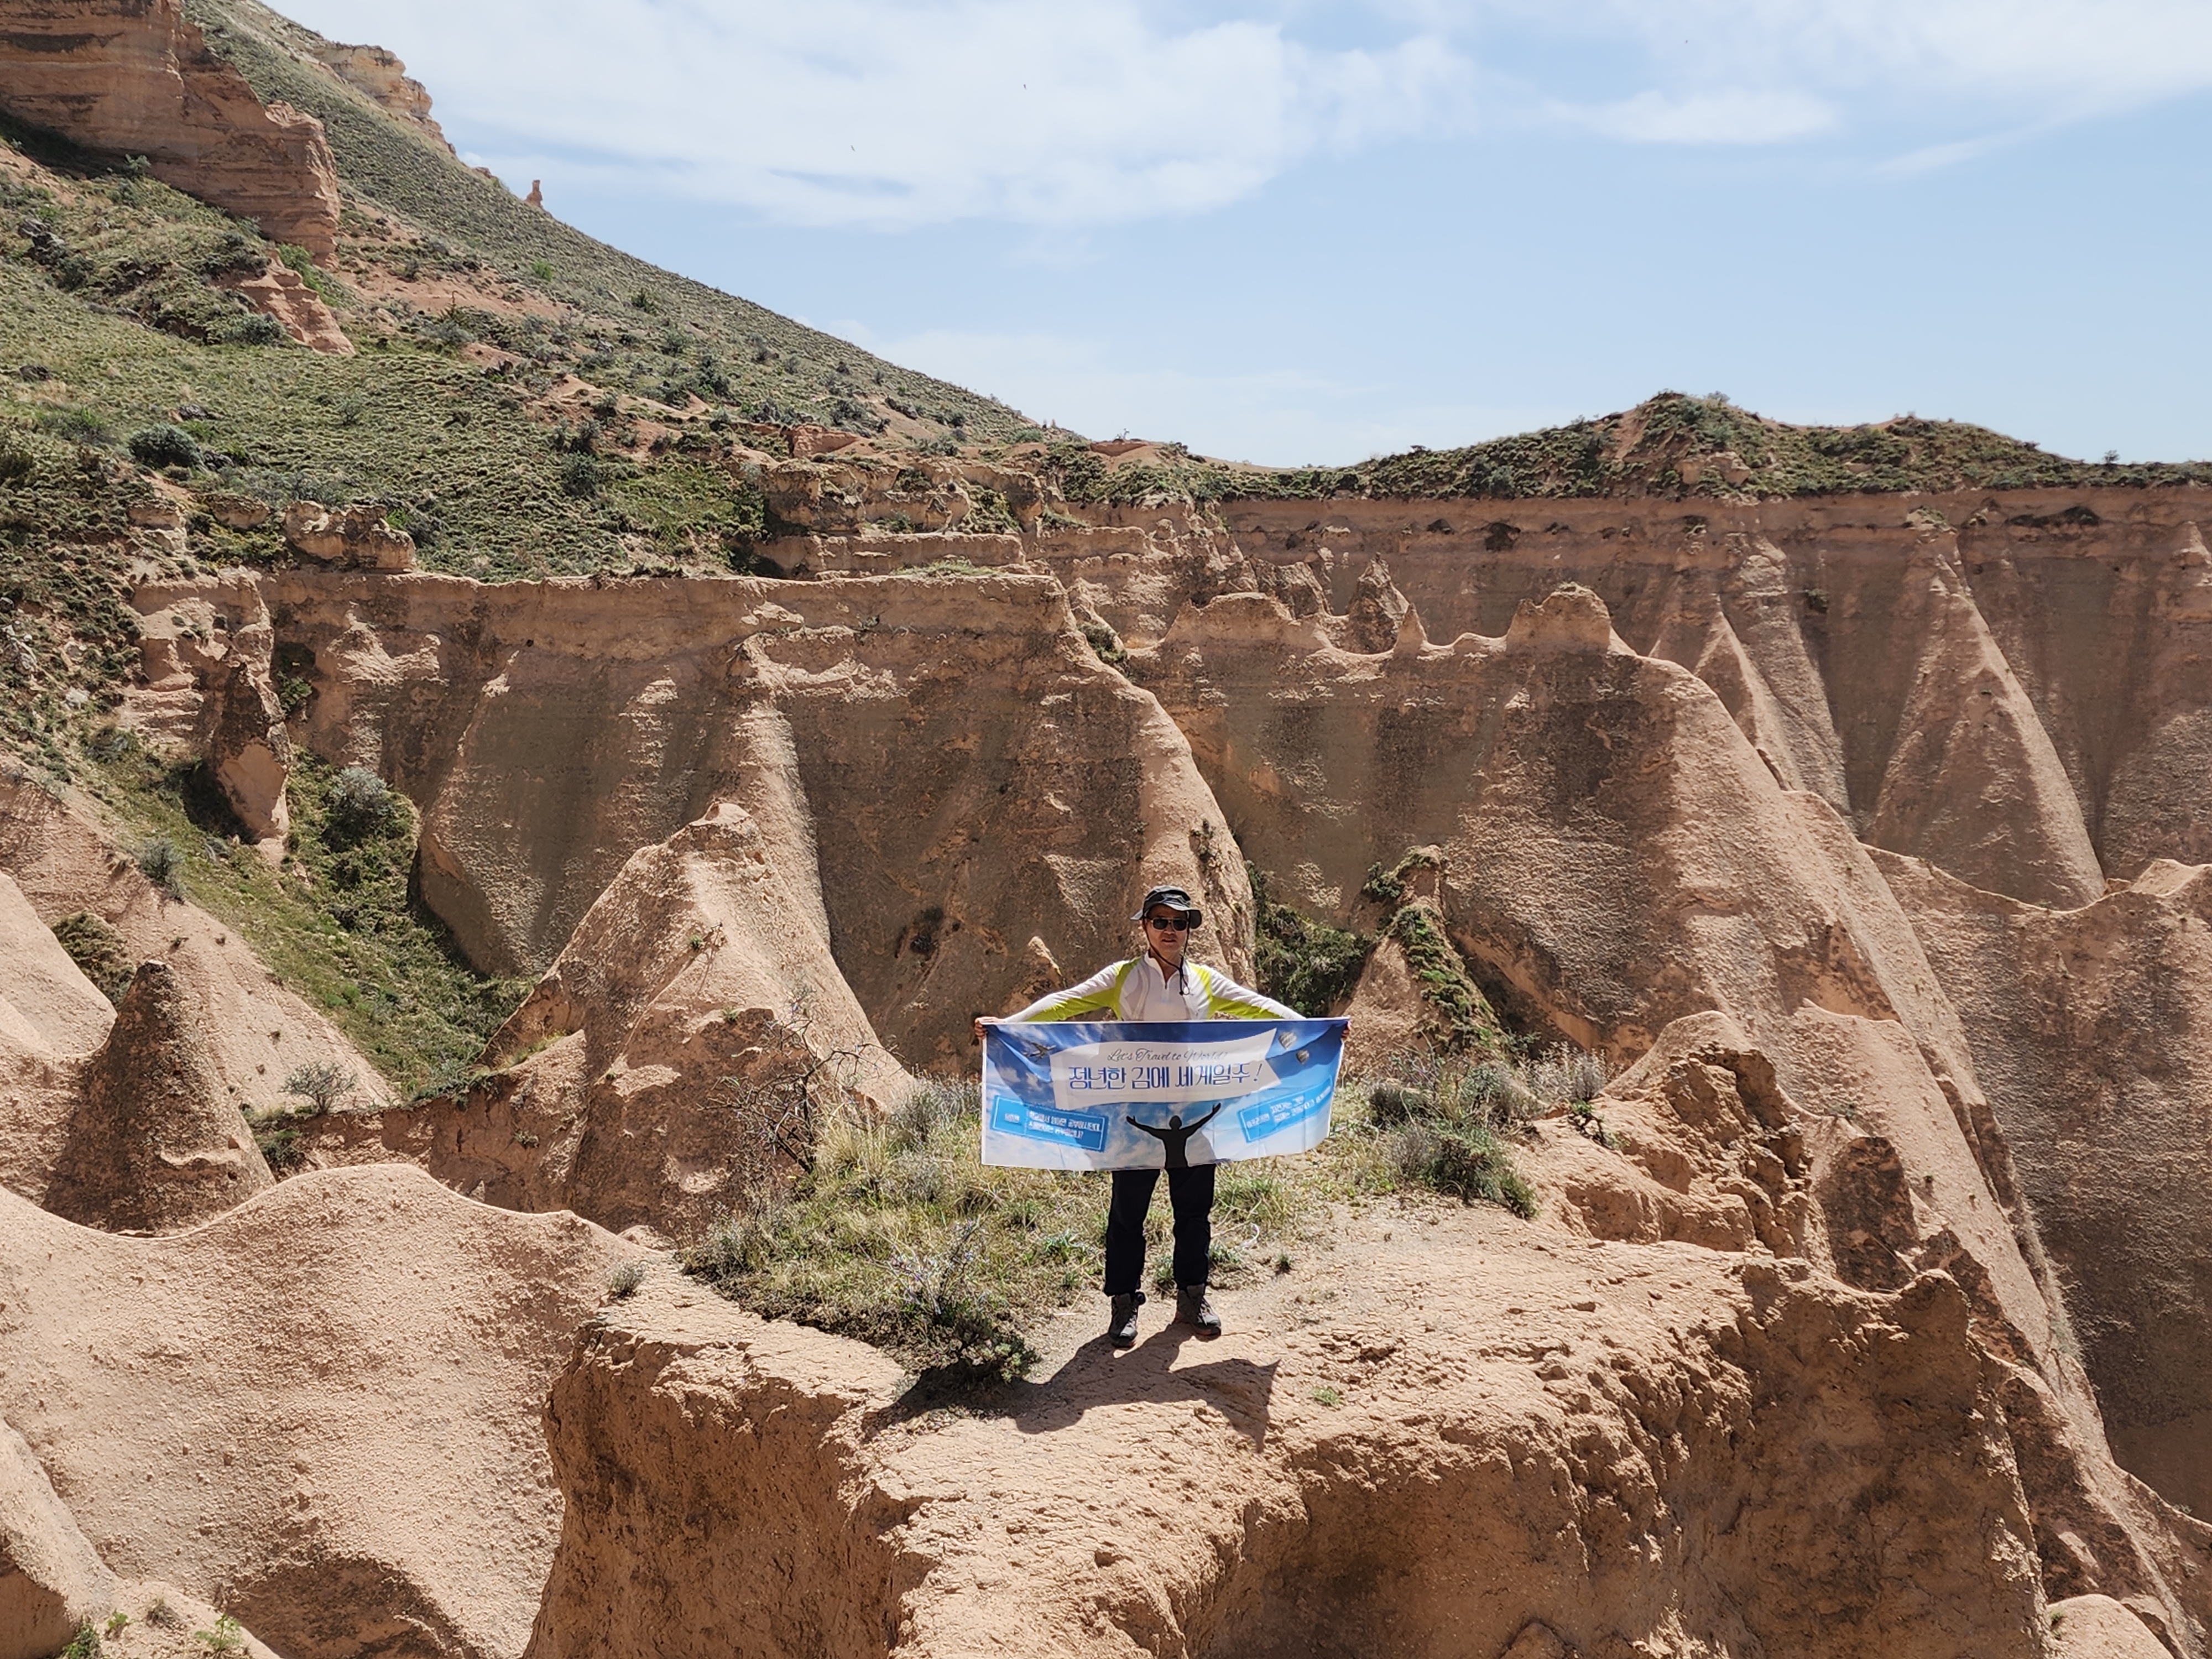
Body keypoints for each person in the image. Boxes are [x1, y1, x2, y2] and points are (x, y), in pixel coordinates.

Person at [975, 884, 1296, 1348]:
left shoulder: (1205, 981)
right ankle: (1124, 1302)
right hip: (1133, 1120)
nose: (1170, 930)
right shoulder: (1122, 977)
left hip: (1196, 1112)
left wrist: (1316, 1027)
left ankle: (1193, 1296)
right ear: (1144, 926)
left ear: (1188, 930)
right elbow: (1065, 1002)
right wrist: (1008, 1025)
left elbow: (1258, 1006)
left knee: (1194, 1213)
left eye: (1179, 923)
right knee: (1128, 1215)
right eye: (1160, 921)